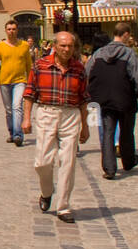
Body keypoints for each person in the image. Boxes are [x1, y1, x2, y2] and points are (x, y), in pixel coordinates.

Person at [22, 31, 90, 224]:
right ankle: (46, 191)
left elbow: (84, 100)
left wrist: (86, 126)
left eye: (70, 46)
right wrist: (26, 118)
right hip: (46, 112)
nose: (67, 49)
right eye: (63, 46)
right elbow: (29, 93)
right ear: (55, 46)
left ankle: (64, 206)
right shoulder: (41, 65)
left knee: (68, 162)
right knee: (42, 161)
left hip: (71, 114)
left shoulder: (79, 69)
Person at [85, 22, 138, 180]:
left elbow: (87, 72)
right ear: (126, 35)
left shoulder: (99, 53)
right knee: (127, 131)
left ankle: (109, 168)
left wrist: (89, 95)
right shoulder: (129, 54)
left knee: (108, 132)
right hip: (125, 98)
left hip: (105, 99)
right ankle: (128, 162)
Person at [0, 20, 33, 147]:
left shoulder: (24, 45)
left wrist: (31, 81)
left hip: (20, 81)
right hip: (4, 81)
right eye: (9, 29)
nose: (11, 31)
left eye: (13, 29)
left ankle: (18, 135)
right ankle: (12, 132)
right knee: (8, 110)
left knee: (17, 106)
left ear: (17, 30)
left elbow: (29, 65)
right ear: (5, 31)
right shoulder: (0, 46)